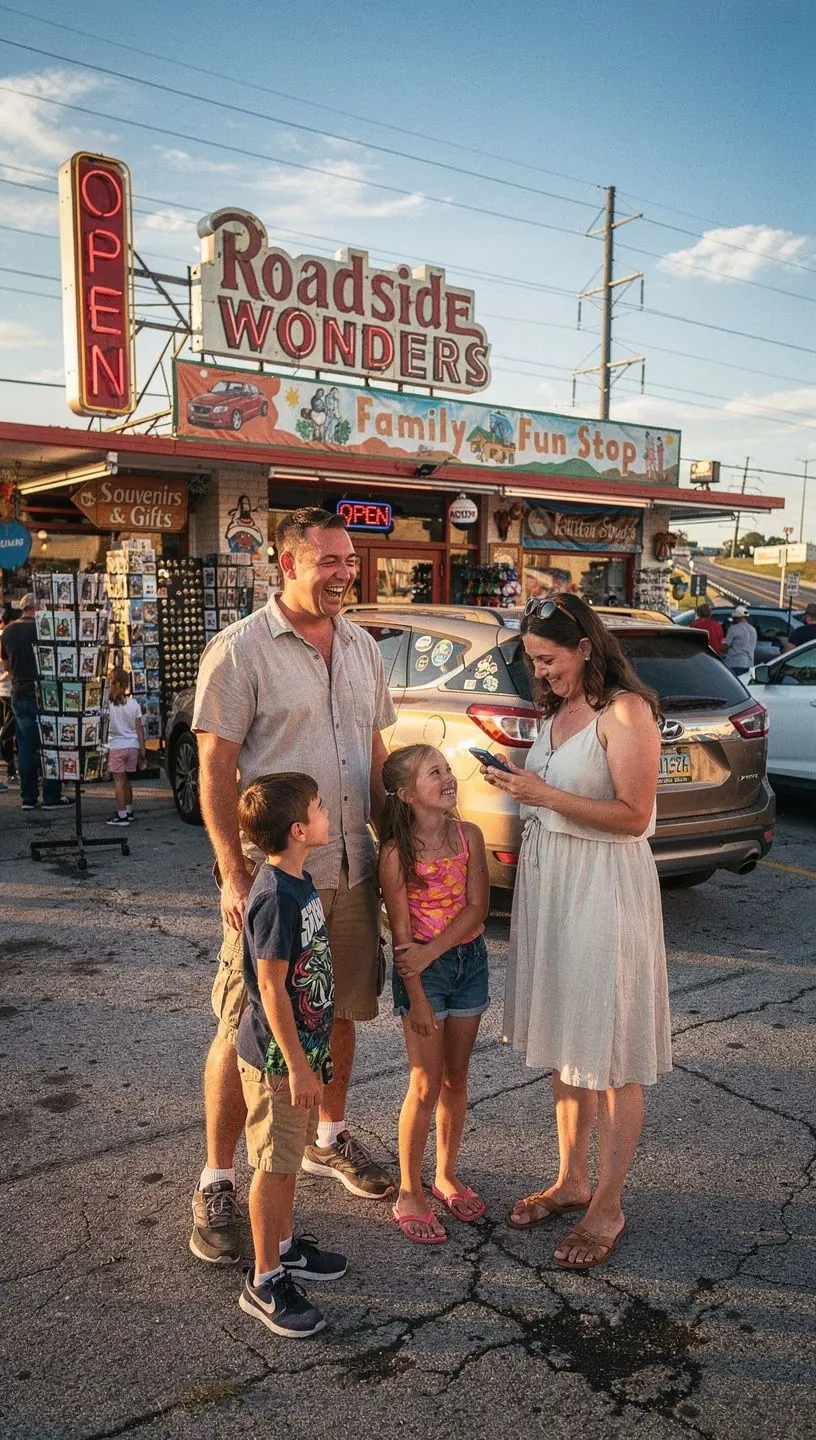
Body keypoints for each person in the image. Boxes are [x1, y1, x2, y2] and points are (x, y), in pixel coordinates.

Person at [190, 506, 396, 1268]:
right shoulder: (240, 651)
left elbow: (375, 760)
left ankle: (326, 1138)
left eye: (350, 560)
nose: (345, 573)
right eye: (329, 562)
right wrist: (232, 873)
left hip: (351, 870)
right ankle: (216, 1180)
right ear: (287, 564)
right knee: (245, 1028)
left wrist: (397, 855)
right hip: (276, 883)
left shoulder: (364, 646)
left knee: (341, 1011)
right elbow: (216, 769)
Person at [482, 592, 671, 1270]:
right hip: (553, 884)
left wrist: (543, 796)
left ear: (586, 647)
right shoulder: (557, 713)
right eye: (533, 661)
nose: (541, 672)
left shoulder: (626, 711)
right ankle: (572, 1178)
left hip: (603, 889)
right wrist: (520, 781)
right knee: (568, 1040)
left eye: (550, 659)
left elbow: (632, 815)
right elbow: (554, 791)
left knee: (613, 1050)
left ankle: (608, 1204)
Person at [235, 772, 347, 1339]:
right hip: (280, 1063)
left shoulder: (297, 880)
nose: (328, 813)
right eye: (320, 807)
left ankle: (283, 1246)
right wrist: (300, 1064)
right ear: (299, 829)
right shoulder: (276, 896)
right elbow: (272, 987)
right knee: (273, 1166)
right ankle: (264, 1279)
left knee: (287, 1162)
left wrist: (315, 1052)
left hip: (302, 1053)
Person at [379, 746, 490, 1245]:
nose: (449, 778)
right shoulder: (395, 855)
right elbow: (402, 936)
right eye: (435, 773)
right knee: (425, 1082)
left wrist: (431, 953)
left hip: (468, 962)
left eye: (447, 769)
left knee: (456, 1078)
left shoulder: (469, 836)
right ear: (407, 794)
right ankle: (408, 1190)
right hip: (422, 977)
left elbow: (476, 910)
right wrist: (417, 988)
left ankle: (445, 1174)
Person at [0, 593, 69, 811]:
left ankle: (28, 797)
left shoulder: (8, 630)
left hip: (19, 691)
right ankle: (51, 795)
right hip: (43, 692)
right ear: (36, 608)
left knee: (26, 747)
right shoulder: (43, 629)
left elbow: (5, 665)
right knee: (49, 745)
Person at [105, 673, 146, 826]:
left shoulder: (109, 705)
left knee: (119, 782)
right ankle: (129, 810)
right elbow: (139, 728)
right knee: (127, 781)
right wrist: (142, 750)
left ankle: (121, 815)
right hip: (132, 746)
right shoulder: (133, 704)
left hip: (117, 746)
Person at [0, 615, 18, 789]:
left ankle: (11, 768)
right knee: (9, 730)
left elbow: (7, 667)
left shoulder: (7, 635)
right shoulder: (8, 635)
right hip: (8, 691)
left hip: (7, 691)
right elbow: (8, 669)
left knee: (8, 730)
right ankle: (10, 768)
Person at [722, 605, 757, 676]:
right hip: (749, 664)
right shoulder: (753, 629)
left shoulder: (733, 628)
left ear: (736, 617)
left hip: (735, 663)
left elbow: (725, 647)